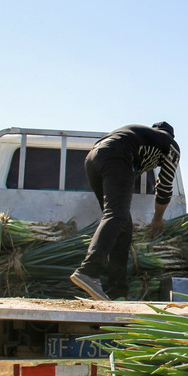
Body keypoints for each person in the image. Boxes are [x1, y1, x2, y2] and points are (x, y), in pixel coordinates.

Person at [70, 122, 180, 301]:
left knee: (122, 227)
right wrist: (157, 220)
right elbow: (165, 186)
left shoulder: (140, 135)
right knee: (117, 215)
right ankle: (88, 271)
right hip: (117, 154)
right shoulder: (170, 145)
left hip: (93, 157)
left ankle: (117, 290)